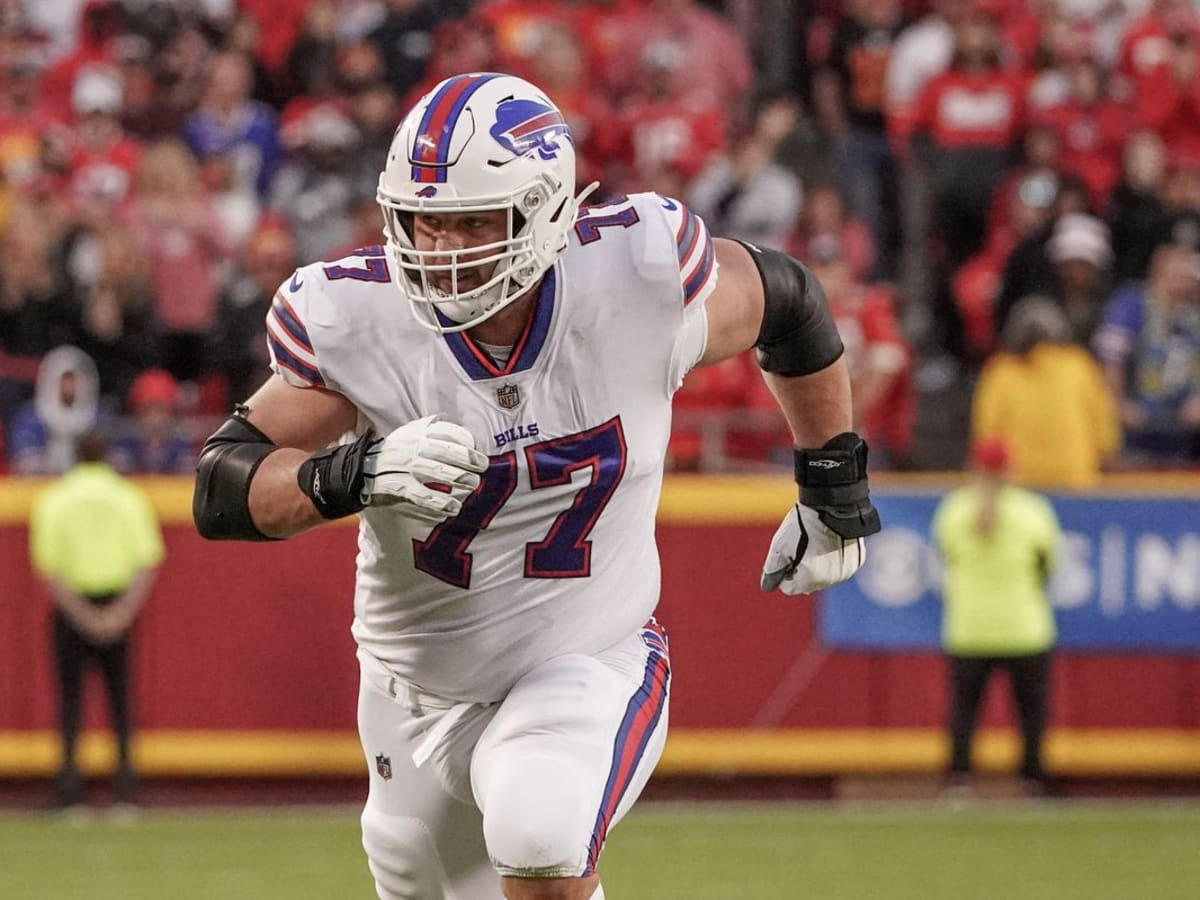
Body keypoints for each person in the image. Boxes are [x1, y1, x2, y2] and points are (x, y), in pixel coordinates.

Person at [193, 72, 881, 900]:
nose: (442, 253)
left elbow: (792, 304)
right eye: (422, 223)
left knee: (539, 826)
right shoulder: (359, 318)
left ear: (547, 209)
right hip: (412, 691)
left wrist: (832, 485)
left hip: (585, 655)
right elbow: (224, 486)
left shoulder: (635, 276)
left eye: (471, 222)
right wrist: (353, 475)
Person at [29, 428, 164, 808]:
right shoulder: (127, 497)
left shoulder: (56, 498)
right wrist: (120, 614)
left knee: (70, 703)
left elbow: (49, 569)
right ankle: (125, 788)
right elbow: (146, 562)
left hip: (72, 612)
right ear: (108, 454)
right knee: (121, 703)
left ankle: (69, 789)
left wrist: (83, 616)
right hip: (118, 605)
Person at [932, 438, 1062, 797]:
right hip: (1025, 626)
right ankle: (1032, 781)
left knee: (964, 712)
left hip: (969, 626)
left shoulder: (954, 509)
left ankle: (958, 781)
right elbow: (1048, 566)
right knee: (1030, 713)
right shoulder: (1033, 510)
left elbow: (946, 558)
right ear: (1010, 470)